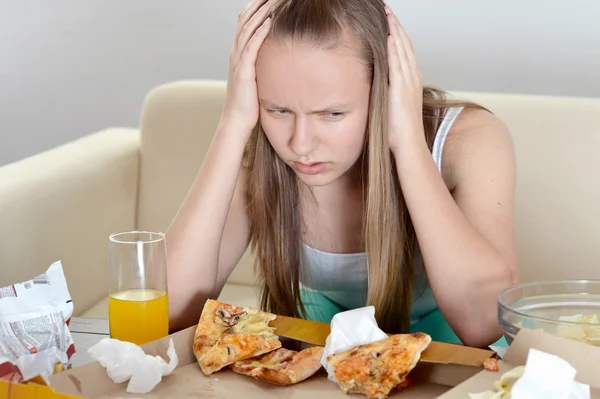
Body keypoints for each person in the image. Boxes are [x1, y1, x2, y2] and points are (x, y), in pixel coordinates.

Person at [165, 0, 518, 348]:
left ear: (385, 89)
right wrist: (233, 123)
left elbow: (485, 323)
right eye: (279, 110)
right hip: (319, 332)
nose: (300, 144)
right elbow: (167, 312)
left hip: (451, 341)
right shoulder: (259, 145)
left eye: (332, 114)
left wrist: (408, 144)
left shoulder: (469, 139)